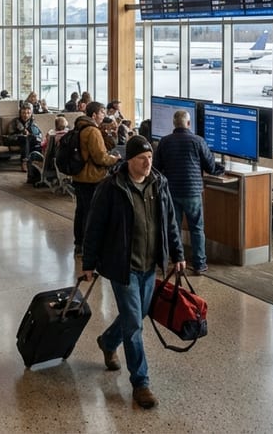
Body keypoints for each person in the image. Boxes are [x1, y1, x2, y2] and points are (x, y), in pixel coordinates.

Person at [80, 135, 185, 410]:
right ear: (129, 160)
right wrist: (88, 263)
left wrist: (178, 254)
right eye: (142, 158)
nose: (148, 162)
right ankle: (141, 382)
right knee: (134, 324)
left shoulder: (158, 184)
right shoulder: (111, 188)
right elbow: (94, 227)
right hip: (122, 265)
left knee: (138, 314)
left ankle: (107, 341)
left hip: (150, 264)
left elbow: (170, 221)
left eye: (150, 157)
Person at [152, 109, 225, 275]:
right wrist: (221, 169)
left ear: (173, 123)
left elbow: (156, 167)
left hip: (171, 191)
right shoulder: (198, 141)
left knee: (173, 227)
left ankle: (177, 260)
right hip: (192, 191)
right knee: (197, 228)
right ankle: (199, 264)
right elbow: (210, 166)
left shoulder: (164, 142)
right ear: (189, 124)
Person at [71, 102, 122, 256]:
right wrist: (114, 159)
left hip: (79, 176)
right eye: (101, 113)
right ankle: (89, 246)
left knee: (81, 211)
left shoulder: (80, 126)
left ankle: (79, 244)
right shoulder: (92, 131)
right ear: (94, 115)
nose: (104, 116)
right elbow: (100, 157)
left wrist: (107, 134)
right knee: (91, 213)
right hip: (91, 178)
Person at [5, 102, 43, 171]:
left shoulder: (33, 122)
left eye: (28, 113)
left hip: (28, 139)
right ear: (20, 113)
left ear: (31, 114)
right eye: (24, 113)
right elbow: (10, 134)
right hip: (15, 139)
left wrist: (31, 135)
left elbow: (38, 134)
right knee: (25, 138)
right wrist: (22, 133)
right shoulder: (15, 121)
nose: (26, 115)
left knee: (35, 140)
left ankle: (37, 160)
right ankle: (24, 162)